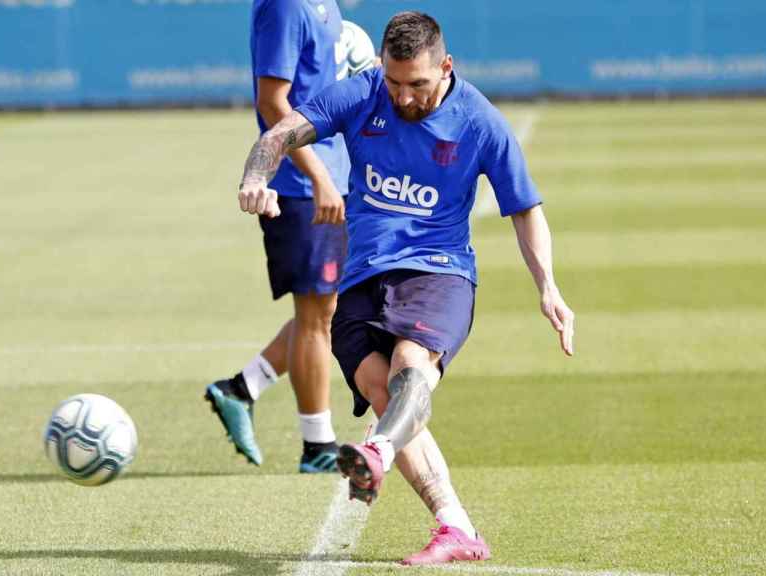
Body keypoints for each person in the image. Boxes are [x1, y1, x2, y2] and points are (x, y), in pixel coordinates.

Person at [235, 11, 576, 566]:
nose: (403, 97)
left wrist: (549, 287)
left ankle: (376, 450)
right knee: (378, 387)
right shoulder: (365, 93)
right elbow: (280, 132)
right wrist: (256, 176)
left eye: (417, 84)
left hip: (438, 270)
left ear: (445, 67)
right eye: (394, 82)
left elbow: (525, 209)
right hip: (364, 274)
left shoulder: (480, 121)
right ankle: (456, 526)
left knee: (410, 367)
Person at [205, 0, 351, 473]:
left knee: (327, 310)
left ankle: (241, 389)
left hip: (331, 174)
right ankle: (317, 447)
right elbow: (273, 103)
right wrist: (317, 177)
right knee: (315, 316)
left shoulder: (322, 3)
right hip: (299, 184)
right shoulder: (285, 5)